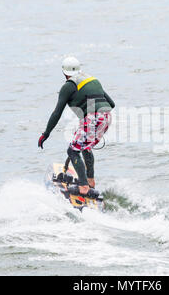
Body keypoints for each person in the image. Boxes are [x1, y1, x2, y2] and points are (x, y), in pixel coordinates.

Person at [38, 57, 115, 195]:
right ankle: (90, 181)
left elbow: (57, 112)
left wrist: (46, 133)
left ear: (64, 72)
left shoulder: (68, 86)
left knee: (73, 151)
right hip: (107, 116)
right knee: (85, 147)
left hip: (93, 117)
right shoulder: (92, 80)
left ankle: (84, 187)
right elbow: (111, 103)